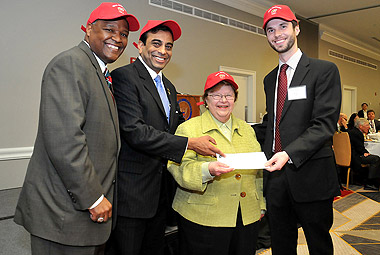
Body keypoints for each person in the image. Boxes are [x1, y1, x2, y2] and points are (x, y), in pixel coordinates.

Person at [13, 3, 139, 254]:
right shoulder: (70, 64)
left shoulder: (99, 72)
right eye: (109, 29)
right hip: (63, 214)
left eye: (124, 34)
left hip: (84, 214)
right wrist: (93, 197)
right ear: (89, 29)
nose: (118, 38)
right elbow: (65, 140)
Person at [106, 20, 223, 255]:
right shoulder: (124, 77)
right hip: (133, 194)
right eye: (156, 44)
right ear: (140, 46)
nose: (163, 51)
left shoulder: (168, 86)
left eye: (169, 46)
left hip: (161, 192)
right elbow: (135, 131)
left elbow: (174, 128)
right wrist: (190, 143)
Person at [254, 5, 341, 254]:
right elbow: (274, 123)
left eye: (283, 26)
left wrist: (288, 153)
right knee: (280, 242)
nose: (277, 34)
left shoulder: (324, 71)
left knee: (318, 242)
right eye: (270, 30)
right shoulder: (270, 79)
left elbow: (324, 124)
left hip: (311, 173)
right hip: (276, 177)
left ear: (297, 28)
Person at [167, 71, 265, 255]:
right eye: (216, 95)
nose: (223, 100)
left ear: (235, 99)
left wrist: (261, 204)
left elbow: (258, 170)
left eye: (228, 95)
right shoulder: (188, 128)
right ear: (206, 99)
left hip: (246, 215)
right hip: (202, 217)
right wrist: (207, 170)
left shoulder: (247, 129)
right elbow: (178, 168)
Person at [348, 118, 380, 190]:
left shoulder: (352, 132)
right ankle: (370, 183)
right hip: (355, 158)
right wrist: (364, 152)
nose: (369, 127)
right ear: (360, 126)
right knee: (376, 159)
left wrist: (364, 152)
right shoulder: (357, 134)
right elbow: (360, 148)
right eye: (367, 125)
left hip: (349, 156)